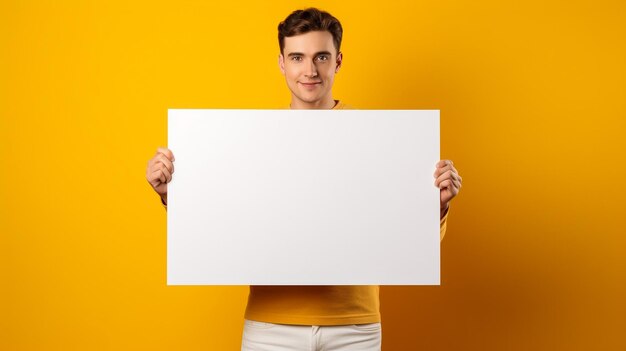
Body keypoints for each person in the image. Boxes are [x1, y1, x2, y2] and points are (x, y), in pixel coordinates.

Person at [145, 8, 462, 351]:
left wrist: (437, 206)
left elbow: (404, 240)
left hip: (355, 327)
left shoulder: (379, 137)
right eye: (297, 57)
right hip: (270, 327)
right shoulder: (249, 139)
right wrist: (172, 196)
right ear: (282, 62)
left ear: (338, 61)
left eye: (321, 57)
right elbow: (222, 225)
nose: (310, 70)